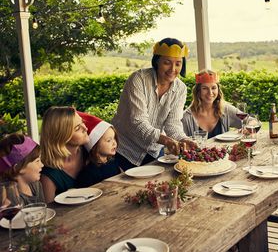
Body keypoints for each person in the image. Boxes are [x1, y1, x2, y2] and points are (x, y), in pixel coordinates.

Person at [112, 38, 195, 170]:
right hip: (123, 149)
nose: (173, 69)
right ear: (157, 61)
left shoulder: (181, 89)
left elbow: (172, 125)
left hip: (153, 153)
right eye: (167, 63)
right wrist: (166, 140)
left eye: (178, 64)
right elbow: (138, 121)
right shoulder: (138, 79)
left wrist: (184, 139)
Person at [40, 106, 89, 203]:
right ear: (62, 136)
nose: (86, 128)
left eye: (82, 122)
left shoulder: (89, 152)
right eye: (77, 128)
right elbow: (50, 213)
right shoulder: (49, 176)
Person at [182, 69, 242, 139]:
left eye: (213, 88)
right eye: (205, 88)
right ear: (198, 91)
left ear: (218, 90)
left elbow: (249, 121)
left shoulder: (226, 109)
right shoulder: (186, 117)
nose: (210, 92)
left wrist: (248, 127)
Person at [75, 112, 120, 187]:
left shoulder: (114, 162)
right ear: (95, 146)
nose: (114, 143)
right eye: (109, 140)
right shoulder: (88, 174)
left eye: (114, 138)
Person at [0, 134, 45, 205]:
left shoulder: (36, 185)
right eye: (37, 161)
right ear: (18, 168)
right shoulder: (8, 196)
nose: (42, 165)